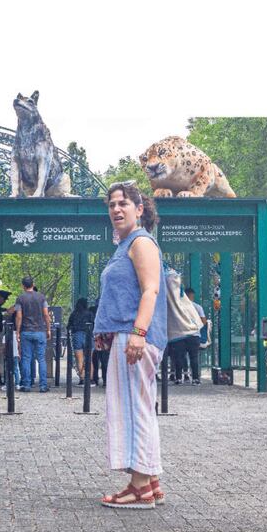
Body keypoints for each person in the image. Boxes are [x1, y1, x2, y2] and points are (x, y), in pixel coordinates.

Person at [94, 181, 168, 509]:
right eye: (111, 204)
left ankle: (138, 488)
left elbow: (150, 290)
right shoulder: (127, 244)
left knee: (132, 410)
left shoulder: (140, 242)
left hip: (135, 338)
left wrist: (138, 332)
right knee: (141, 407)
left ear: (139, 209)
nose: (116, 209)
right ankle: (150, 482)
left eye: (123, 203)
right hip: (128, 335)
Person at [15, 276, 52, 392]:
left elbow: (19, 316)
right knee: (41, 358)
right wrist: (48, 329)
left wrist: (17, 331)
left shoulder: (20, 298)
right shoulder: (41, 297)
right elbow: (46, 314)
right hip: (40, 331)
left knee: (26, 358)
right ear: (33, 284)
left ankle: (26, 385)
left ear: (23, 286)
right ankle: (43, 385)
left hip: (26, 331)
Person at [165, 271, 202, 385]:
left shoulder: (170, 304)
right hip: (193, 334)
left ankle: (178, 378)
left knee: (179, 358)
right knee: (194, 358)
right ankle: (195, 379)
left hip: (178, 335)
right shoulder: (194, 306)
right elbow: (201, 320)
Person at [67, 297, 94, 384]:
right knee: (90, 358)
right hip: (88, 335)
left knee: (79, 359)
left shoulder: (74, 314)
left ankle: (82, 379)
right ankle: (90, 378)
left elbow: (69, 326)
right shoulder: (90, 314)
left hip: (77, 335)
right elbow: (93, 324)